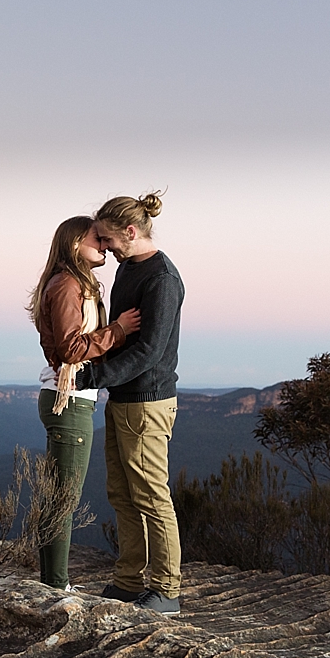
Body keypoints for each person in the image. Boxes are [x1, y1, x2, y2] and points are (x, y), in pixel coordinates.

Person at [80, 191, 185, 616]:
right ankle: (128, 582)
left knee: (151, 497)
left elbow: (150, 353)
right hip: (122, 399)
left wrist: (93, 376)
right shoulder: (129, 270)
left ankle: (166, 590)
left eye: (108, 239)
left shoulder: (161, 279)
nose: (104, 248)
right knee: (122, 494)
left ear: (131, 231)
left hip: (147, 402)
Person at [29, 215, 141, 591]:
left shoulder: (79, 284)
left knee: (59, 496)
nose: (106, 244)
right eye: (98, 238)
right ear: (76, 243)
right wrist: (119, 330)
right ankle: (57, 585)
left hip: (71, 398)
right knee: (64, 499)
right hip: (69, 399)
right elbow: (70, 349)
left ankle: (51, 582)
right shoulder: (67, 285)